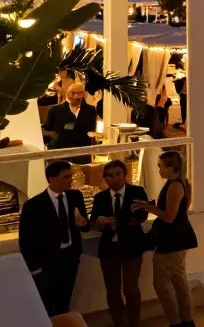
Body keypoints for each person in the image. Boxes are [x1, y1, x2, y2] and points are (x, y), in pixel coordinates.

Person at [133, 151, 197, 327]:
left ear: (171, 167)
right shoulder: (178, 183)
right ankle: (186, 320)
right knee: (179, 281)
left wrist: (148, 209)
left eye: (160, 166)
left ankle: (177, 321)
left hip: (172, 241)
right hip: (178, 239)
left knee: (163, 285)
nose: (159, 169)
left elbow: (169, 216)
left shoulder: (175, 186)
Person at [19, 160, 89, 316]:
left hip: (70, 257)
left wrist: (84, 223)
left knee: (64, 302)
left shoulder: (75, 197)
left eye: (71, 175)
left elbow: (84, 224)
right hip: (47, 263)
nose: (71, 180)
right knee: (45, 305)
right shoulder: (33, 205)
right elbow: (26, 239)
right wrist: (34, 267)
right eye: (66, 177)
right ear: (52, 179)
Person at [91, 159, 149, 327]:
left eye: (118, 174)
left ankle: (134, 323)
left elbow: (142, 216)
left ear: (125, 175)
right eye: (109, 176)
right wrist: (99, 222)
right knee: (113, 290)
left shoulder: (137, 192)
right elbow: (95, 221)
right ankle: (119, 324)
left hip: (132, 247)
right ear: (105, 179)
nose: (114, 178)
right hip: (109, 248)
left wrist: (118, 222)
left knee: (131, 289)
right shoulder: (100, 197)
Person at [42, 82, 97, 163]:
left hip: (82, 153)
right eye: (73, 93)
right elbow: (48, 129)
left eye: (80, 93)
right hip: (61, 152)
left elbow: (91, 129)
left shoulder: (90, 110)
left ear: (83, 94)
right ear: (68, 93)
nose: (76, 96)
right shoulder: (55, 110)